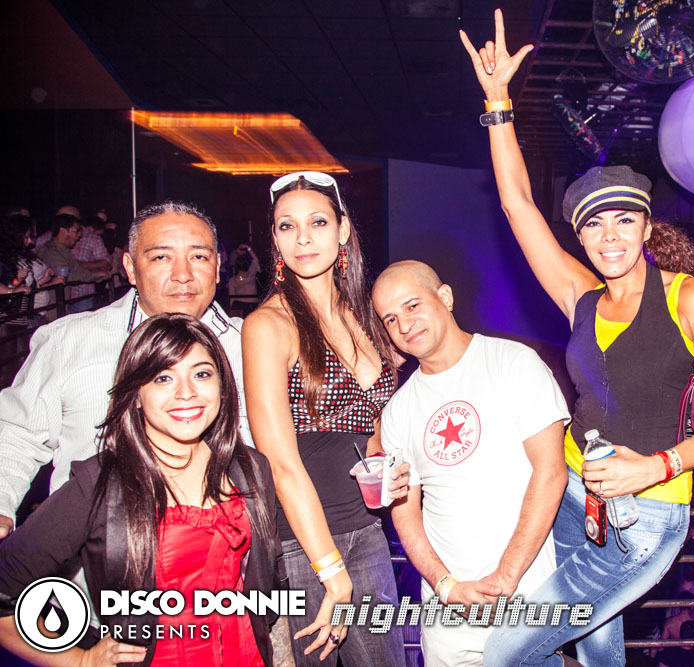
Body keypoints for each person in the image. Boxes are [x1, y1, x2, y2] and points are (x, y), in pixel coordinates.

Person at [460, 10, 694, 666]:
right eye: (594, 225)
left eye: (623, 221)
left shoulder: (692, 298)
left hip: (647, 514)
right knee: (594, 650)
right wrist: (498, 103)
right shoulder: (581, 298)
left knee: (504, 651)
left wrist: (655, 466)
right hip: (573, 495)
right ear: (581, 237)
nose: (609, 236)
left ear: (646, 227)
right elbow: (518, 206)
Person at [0, 313, 281, 665]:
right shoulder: (100, 484)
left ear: (223, 386)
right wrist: (78, 660)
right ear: (135, 395)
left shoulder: (250, 469)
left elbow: (268, 580)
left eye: (201, 374)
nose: (186, 392)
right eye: (163, 377)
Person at [0, 200, 252, 539]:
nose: (183, 274)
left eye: (198, 257)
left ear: (218, 267)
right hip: (93, 558)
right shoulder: (72, 341)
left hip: (225, 557)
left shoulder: (248, 346)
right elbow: (17, 433)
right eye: (161, 257)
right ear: (130, 268)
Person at [242, 171, 407, 666]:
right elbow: (280, 463)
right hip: (303, 546)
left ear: (343, 230)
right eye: (286, 226)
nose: (303, 238)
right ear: (275, 240)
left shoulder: (364, 316)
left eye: (317, 222)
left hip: (368, 530)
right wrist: (330, 570)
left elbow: (373, 424)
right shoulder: (268, 325)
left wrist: (387, 467)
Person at [373, 260, 570, 666]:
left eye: (412, 305)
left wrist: (505, 578)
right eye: (390, 319)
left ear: (444, 297)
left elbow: (551, 474)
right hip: (449, 617)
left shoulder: (514, 363)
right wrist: (446, 586)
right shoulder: (397, 411)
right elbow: (405, 511)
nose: (404, 324)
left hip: (526, 601)